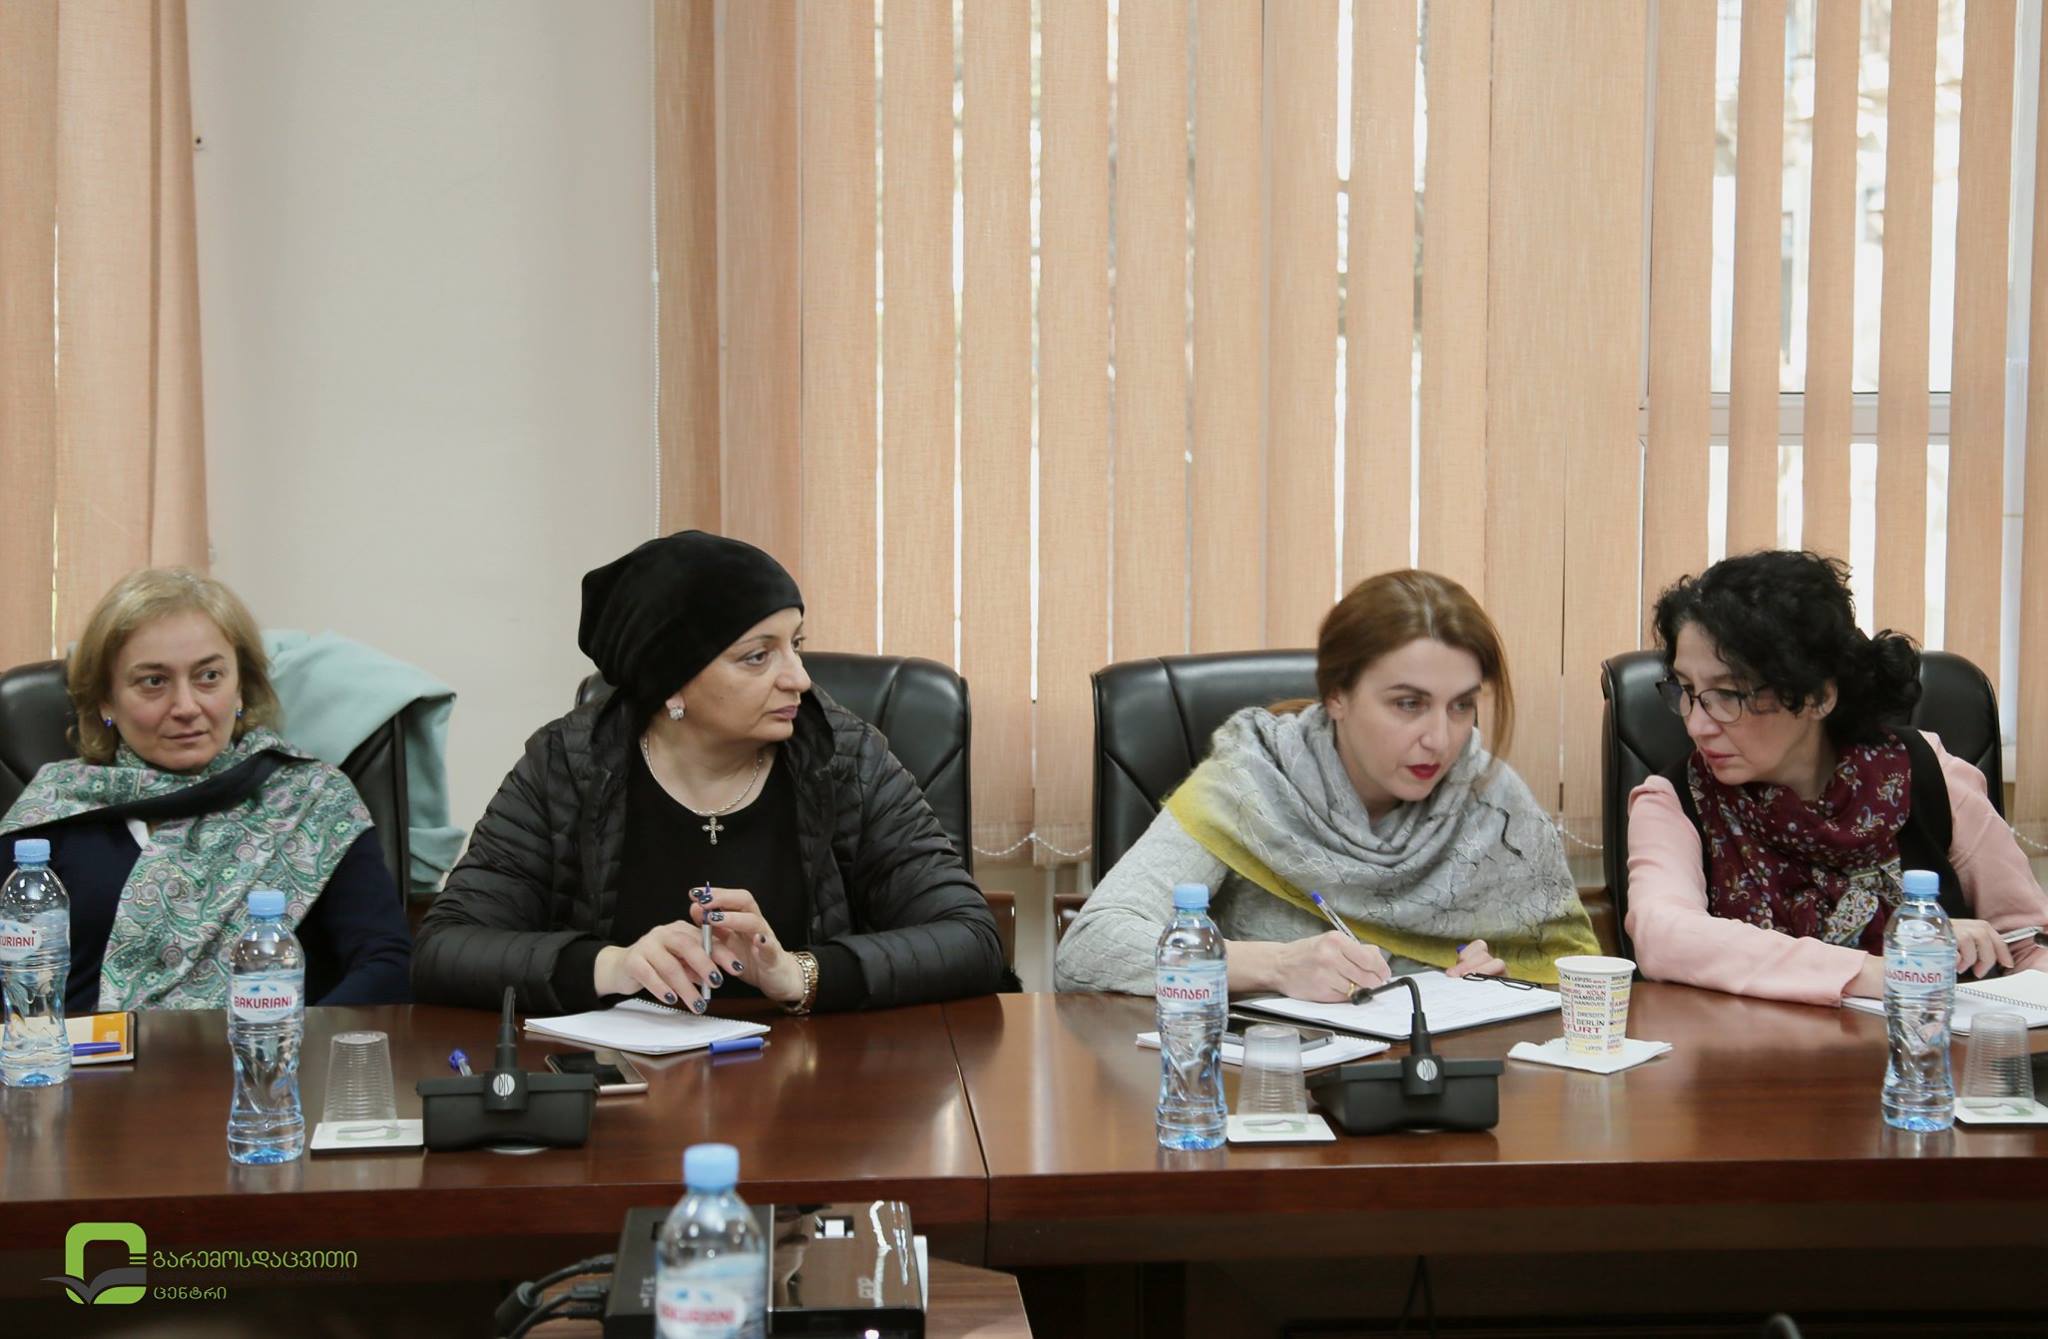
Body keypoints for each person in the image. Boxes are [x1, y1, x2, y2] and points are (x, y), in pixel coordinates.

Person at [413, 530, 1009, 1015]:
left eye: (796, 644)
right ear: (671, 683)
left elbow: (972, 939)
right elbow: (445, 947)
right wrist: (611, 966)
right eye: (758, 656)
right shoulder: (569, 765)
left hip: (818, 1085)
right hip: (623, 1092)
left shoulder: (845, 759)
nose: (799, 678)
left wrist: (800, 973)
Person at [1056, 570, 1600, 999]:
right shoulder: (1252, 780)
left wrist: (1504, 982)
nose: (1440, 739)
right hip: (1262, 1084)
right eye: (1408, 704)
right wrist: (1275, 965)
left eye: (1461, 706)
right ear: (1336, 695)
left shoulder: (1493, 802)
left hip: (1428, 1087)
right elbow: (1091, 947)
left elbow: (1577, 977)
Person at [1626, 550, 2048, 1004]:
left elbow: (2028, 946)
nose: (1696, 724)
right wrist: (1884, 971)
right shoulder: (1673, 801)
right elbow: (1663, 934)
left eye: (1728, 694)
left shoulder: (1930, 774)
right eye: (1687, 690)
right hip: (1753, 1049)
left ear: (1817, 697)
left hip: (1927, 1045)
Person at [0, 568, 412, 1011]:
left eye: (209, 676)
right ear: (106, 700)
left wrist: (284, 1040)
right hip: (78, 1053)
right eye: (153, 681)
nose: (186, 706)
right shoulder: (57, 806)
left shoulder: (310, 801)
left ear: (241, 688)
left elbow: (385, 967)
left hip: (263, 1050)